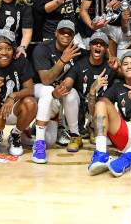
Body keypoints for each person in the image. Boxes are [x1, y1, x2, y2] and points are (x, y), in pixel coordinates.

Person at [31, 20, 84, 163]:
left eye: (69, 33)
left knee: (71, 93)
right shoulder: (42, 48)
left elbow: (73, 76)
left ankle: (74, 135)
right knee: (48, 90)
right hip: (40, 91)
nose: (66, 35)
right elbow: (46, 80)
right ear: (56, 33)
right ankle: (38, 144)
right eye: (62, 32)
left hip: (59, 94)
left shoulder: (77, 51)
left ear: (73, 36)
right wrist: (62, 60)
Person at [0, 30, 37, 157]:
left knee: (30, 103)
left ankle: (16, 134)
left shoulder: (21, 62)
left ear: (14, 51)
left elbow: (30, 90)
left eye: (8, 48)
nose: (4, 53)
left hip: (14, 108)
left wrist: (13, 96)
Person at [60, 31, 118, 151]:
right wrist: (65, 85)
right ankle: (75, 135)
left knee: (104, 102)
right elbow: (69, 81)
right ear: (89, 46)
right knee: (69, 94)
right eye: (95, 43)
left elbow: (127, 74)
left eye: (102, 44)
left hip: (98, 107)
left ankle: (93, 127)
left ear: (106, 49)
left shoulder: (110, 67)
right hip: (80, 106)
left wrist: (119, 62)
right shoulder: (79, 64)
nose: (98, 46)